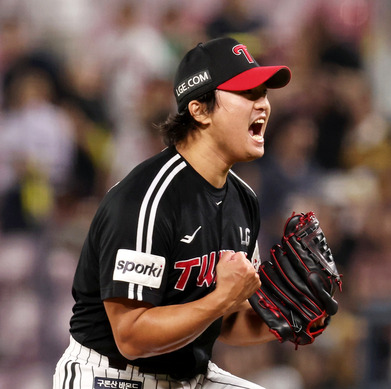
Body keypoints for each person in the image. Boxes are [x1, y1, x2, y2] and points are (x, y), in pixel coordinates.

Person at [53, 36, 291, 389]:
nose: (263, 105)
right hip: (111, 375)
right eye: (248, 93)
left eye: (264, 93)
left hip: (187, 375)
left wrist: (285, 318)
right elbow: (131, 337)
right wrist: (221, 298)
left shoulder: (244, 200)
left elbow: (223, 322)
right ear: (199, 110)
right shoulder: (147, 199)